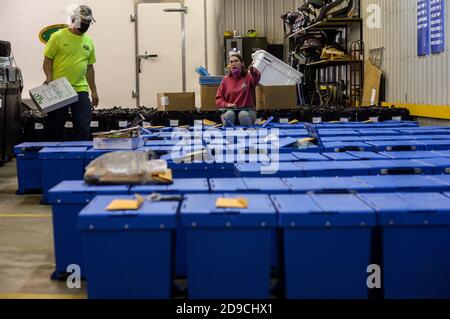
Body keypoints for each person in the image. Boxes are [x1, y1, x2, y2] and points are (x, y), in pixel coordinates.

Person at [43, 5, 98, 141]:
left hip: (80, 89)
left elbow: (89, 68)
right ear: (75, 19)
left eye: (88, 22)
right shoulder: (58, 37)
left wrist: (94, 91)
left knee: (83, 126)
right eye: (83, 21)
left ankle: (79, 157)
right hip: (59, 88)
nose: (85, 24)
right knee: (56, 126)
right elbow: (47, 60)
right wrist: (49, 77)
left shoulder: (89, 42)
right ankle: (56, 157)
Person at [216, 54, 261, 127]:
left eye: (236, 61)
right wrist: (227, 105)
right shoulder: (225, 80)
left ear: (242, 63)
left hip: (248, 111)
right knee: (229, 115)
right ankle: (228, 137)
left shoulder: (249, 76)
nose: (233, 63)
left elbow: (256, 78)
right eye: (231, 62)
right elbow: (219, 99)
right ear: (229, 65)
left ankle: (248, 136)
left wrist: (253, 70)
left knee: (243, 115)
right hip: (229, 111)